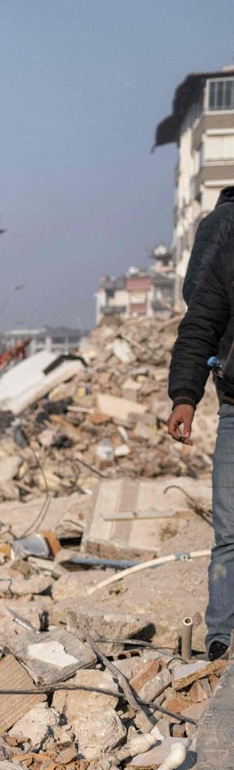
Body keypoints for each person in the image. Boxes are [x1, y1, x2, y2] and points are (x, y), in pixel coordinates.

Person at [167, 192, 234, 660]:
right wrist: (185, 396)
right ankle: (221, 639)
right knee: (230, 532)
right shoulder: (228, 238)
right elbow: (200, 321)